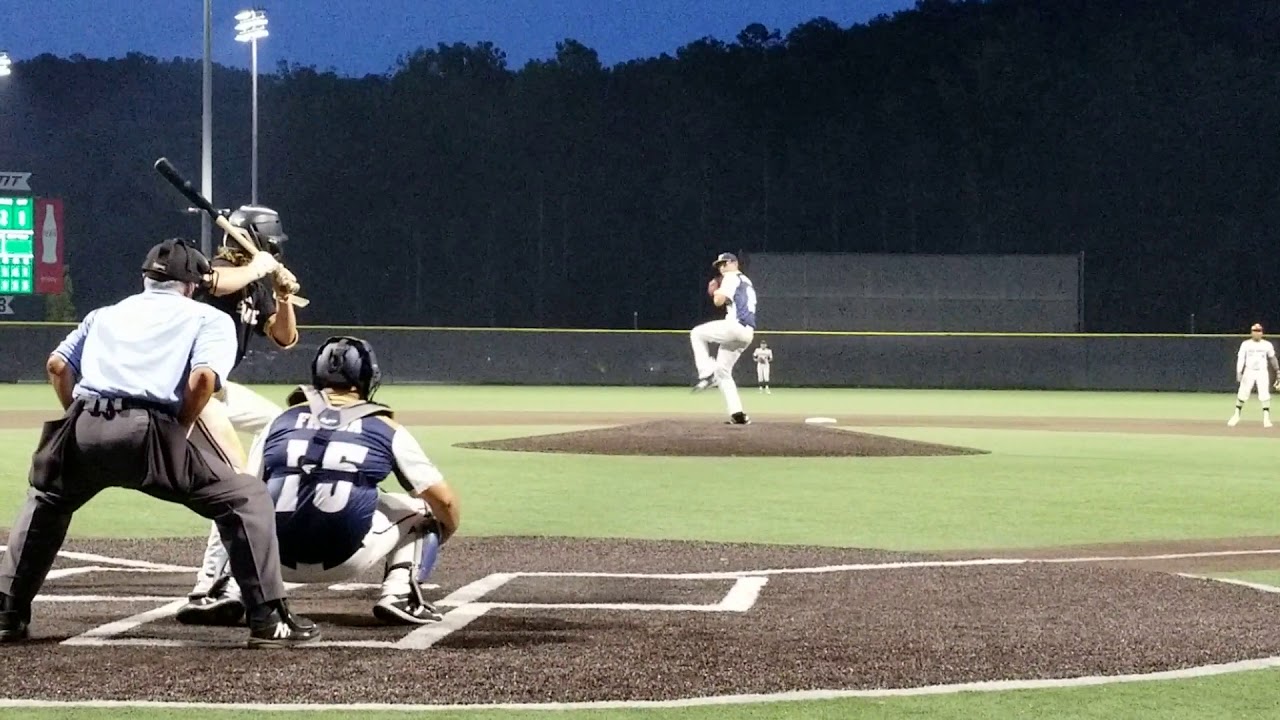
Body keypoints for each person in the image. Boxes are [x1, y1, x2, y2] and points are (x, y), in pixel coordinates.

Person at [0, 239, 317, 647]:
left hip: (84, 424)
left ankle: (8, 612)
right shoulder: (207, 317)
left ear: (146, 278)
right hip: (148, 431)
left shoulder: (104, 314)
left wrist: (77, 415)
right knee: (245, 498)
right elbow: (203, 380)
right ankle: (268, 616)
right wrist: (179, 428)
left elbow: (57, 366)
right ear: (190, 285)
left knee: (46, 499)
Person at [176, 336, 461, 627]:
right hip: (347, 558)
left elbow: (247, 489)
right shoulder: (386, 428)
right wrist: (438, 534)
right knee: (425, 509)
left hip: (272, 560)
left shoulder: (280, 421)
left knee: (237, 500)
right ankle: (400, 594)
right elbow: (445, 500)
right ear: (366, 379)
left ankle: (223, 587)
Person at [184, 205, 303, 607]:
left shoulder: (258, 283)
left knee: (278, 422)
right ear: (259, 237)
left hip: (219, 390)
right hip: (188, 391)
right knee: (237, 486)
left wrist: (283, 296)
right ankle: (209, 583)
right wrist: (260, 269)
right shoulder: (213, 266)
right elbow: (214, 283)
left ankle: (250, 475)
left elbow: (285, 339)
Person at [691, 252, 757, 424]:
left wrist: (715, 291)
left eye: (724, 263)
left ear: (734, 263)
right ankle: (738, 414)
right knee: (723, 372)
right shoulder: (746, 281)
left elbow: (718, 301)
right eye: (719, 265)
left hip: (735, 327)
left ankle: (706, 373)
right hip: (748, 332)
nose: (721, 267)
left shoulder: (730, 276)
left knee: (696, 333)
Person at [1229, 323, 1278, 428]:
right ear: (1251, 332)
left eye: (1259, 331)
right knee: (1242, 393)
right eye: (1255, 331)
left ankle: (1266, 419)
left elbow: (1272, 358)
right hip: (1249, 371)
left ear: (1262, 333)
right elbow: (1241, 358)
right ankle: (1236, 415)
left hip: (1262, 371)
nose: (1257, 333)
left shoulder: (1267, 344)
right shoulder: (1246, 344)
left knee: (1264, 394)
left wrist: (1278, 370)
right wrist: (1239, 372)